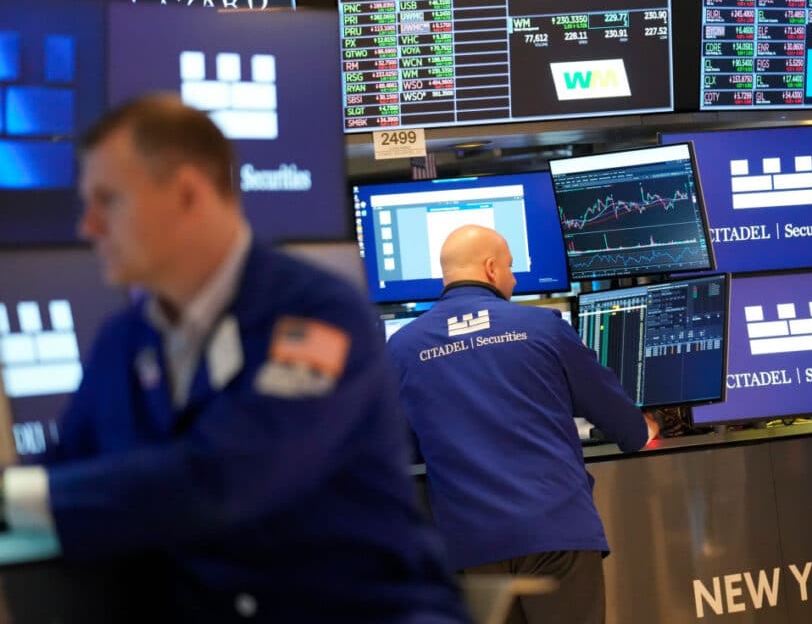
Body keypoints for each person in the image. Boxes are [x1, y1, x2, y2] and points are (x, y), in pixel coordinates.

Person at [0, 95, 469, 624]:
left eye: (106, 201)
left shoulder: (318, 315)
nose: (88, 227)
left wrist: (14, 498)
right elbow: (65, 467)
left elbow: (228, 478)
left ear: (186, 193)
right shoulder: (124, 341)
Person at [386, 224, 658, 624]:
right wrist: (644, 428)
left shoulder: (402, 348)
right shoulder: (544, 327)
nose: (514, 279)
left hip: (470, 547)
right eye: (511, 267)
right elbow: (623, 425)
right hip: (557, 531)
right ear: (491, 268)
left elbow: (400, 450)